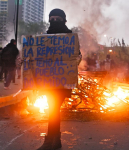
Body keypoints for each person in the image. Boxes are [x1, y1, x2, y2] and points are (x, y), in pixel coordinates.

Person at [37, 9, 82, 150]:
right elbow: (36, 56)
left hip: (62, 82)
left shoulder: (70, 38)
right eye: (52, 19)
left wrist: (75, 61)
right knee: (53, 109)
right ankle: (54, 140)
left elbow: (77, 56)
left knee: (53, 108)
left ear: (64, 20)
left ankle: (52, 141)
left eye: (58, 19)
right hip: (48, 82)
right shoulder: (44, 37)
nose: (54, 21)